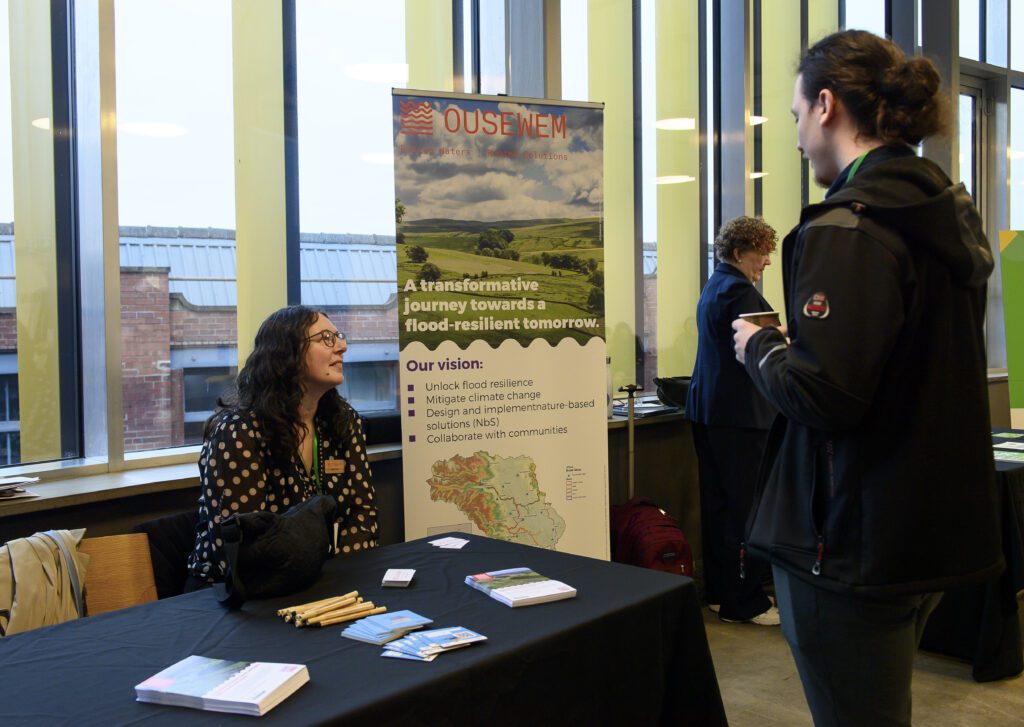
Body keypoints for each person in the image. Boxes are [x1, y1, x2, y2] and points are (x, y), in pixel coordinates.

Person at [731, 30, 1003, 727]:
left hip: (849, 545)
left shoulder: (847, 228)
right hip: (918, 531)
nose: (797, 138)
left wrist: (761, 347)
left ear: (826, 106)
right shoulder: (940, 216)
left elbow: (824, 394)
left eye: (796, 116)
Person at [187, 305, 379, 587]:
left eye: (338, 336)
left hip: (323, 579)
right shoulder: (239, 431)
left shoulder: (343, 420)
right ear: (287, 353)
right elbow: (243, 542)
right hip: (237, 593)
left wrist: (337, 575)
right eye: (326, 338)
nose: (342, 346)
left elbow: (363, 514)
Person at [685, 216, 780, 626]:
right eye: (762, 254)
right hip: (742, 418)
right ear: (740, 253)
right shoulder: (742, 293)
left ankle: (722, 594)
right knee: (747, 511)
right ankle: (746, 602)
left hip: (708, 411)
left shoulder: (714, 285)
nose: (767, 262)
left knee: (719, 507)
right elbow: (766, 356)